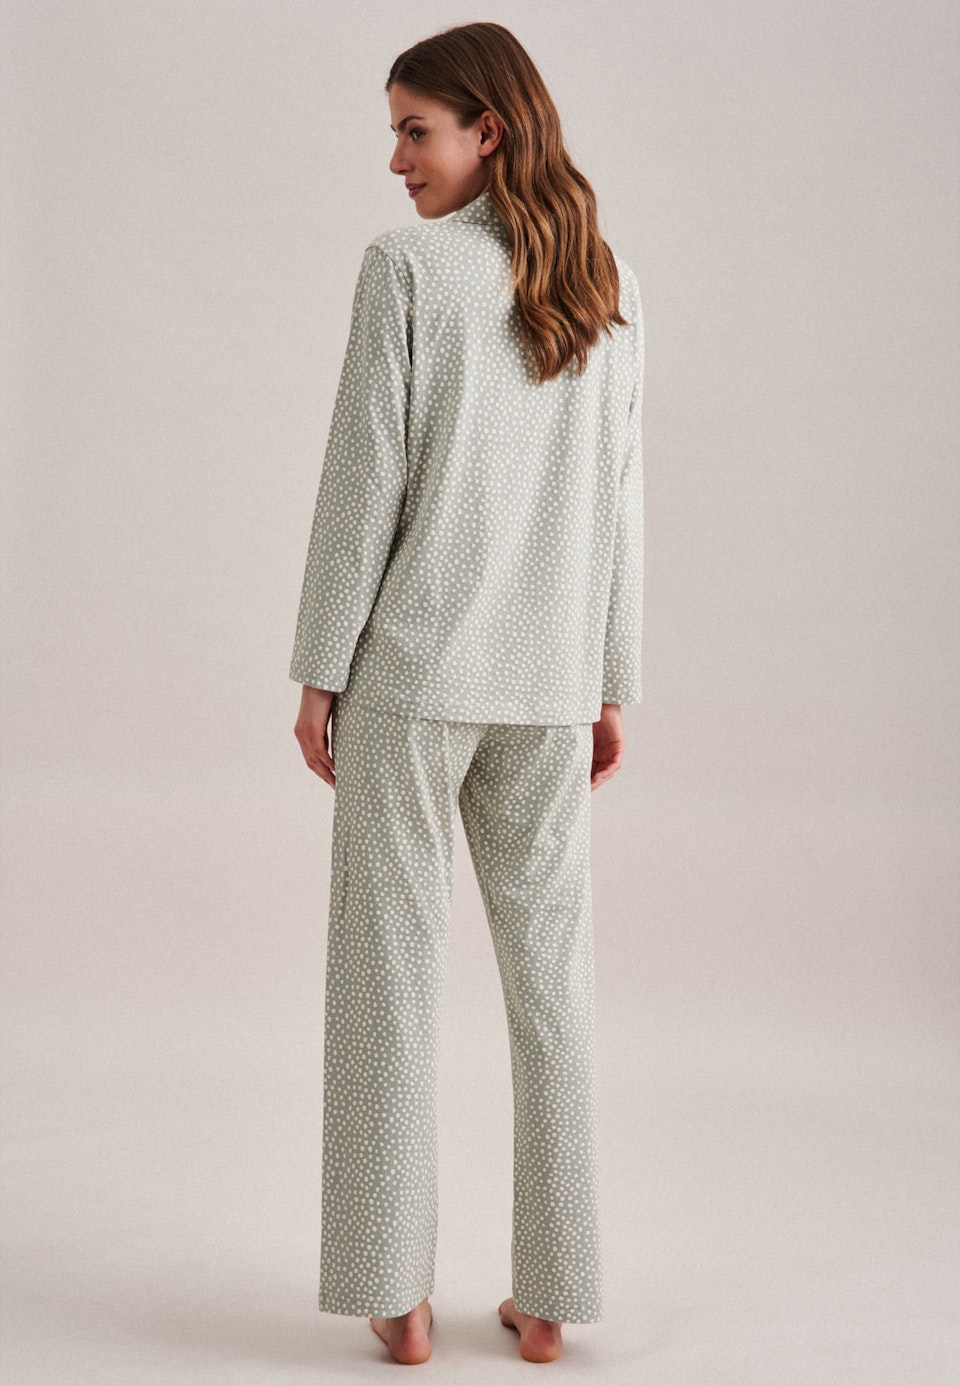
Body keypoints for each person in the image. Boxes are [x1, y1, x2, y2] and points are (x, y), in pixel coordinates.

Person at [290, 21, 644, 1367]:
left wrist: (321, 668)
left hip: (415, 678)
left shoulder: (405, 270)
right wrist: (610, 679)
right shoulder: (609, 281)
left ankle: (394, 1293)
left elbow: (360, 485)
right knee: (556, 985)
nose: (396, 161)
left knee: (386, 978)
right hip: (551, 684)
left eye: (414, 130)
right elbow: (620, 502)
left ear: (486, 130)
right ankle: (553, 1297)